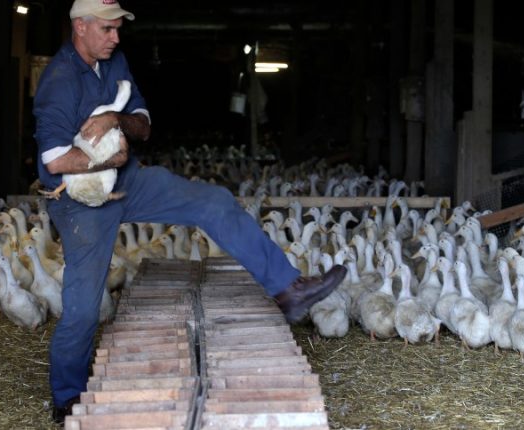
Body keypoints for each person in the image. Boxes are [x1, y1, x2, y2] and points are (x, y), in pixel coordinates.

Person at [32, 0, 346, 424]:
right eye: (107, 29)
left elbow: (143, 123)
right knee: (85, 307)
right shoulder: (59, 80)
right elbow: (55, 161)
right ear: (81, 27)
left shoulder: (115, 62)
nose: (116, 37)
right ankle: (67, 396)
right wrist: (109, 161)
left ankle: (288, 289)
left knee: (213, 201)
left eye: (118, 28)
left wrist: (115, 119)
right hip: (81, 200)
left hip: (128, 182)